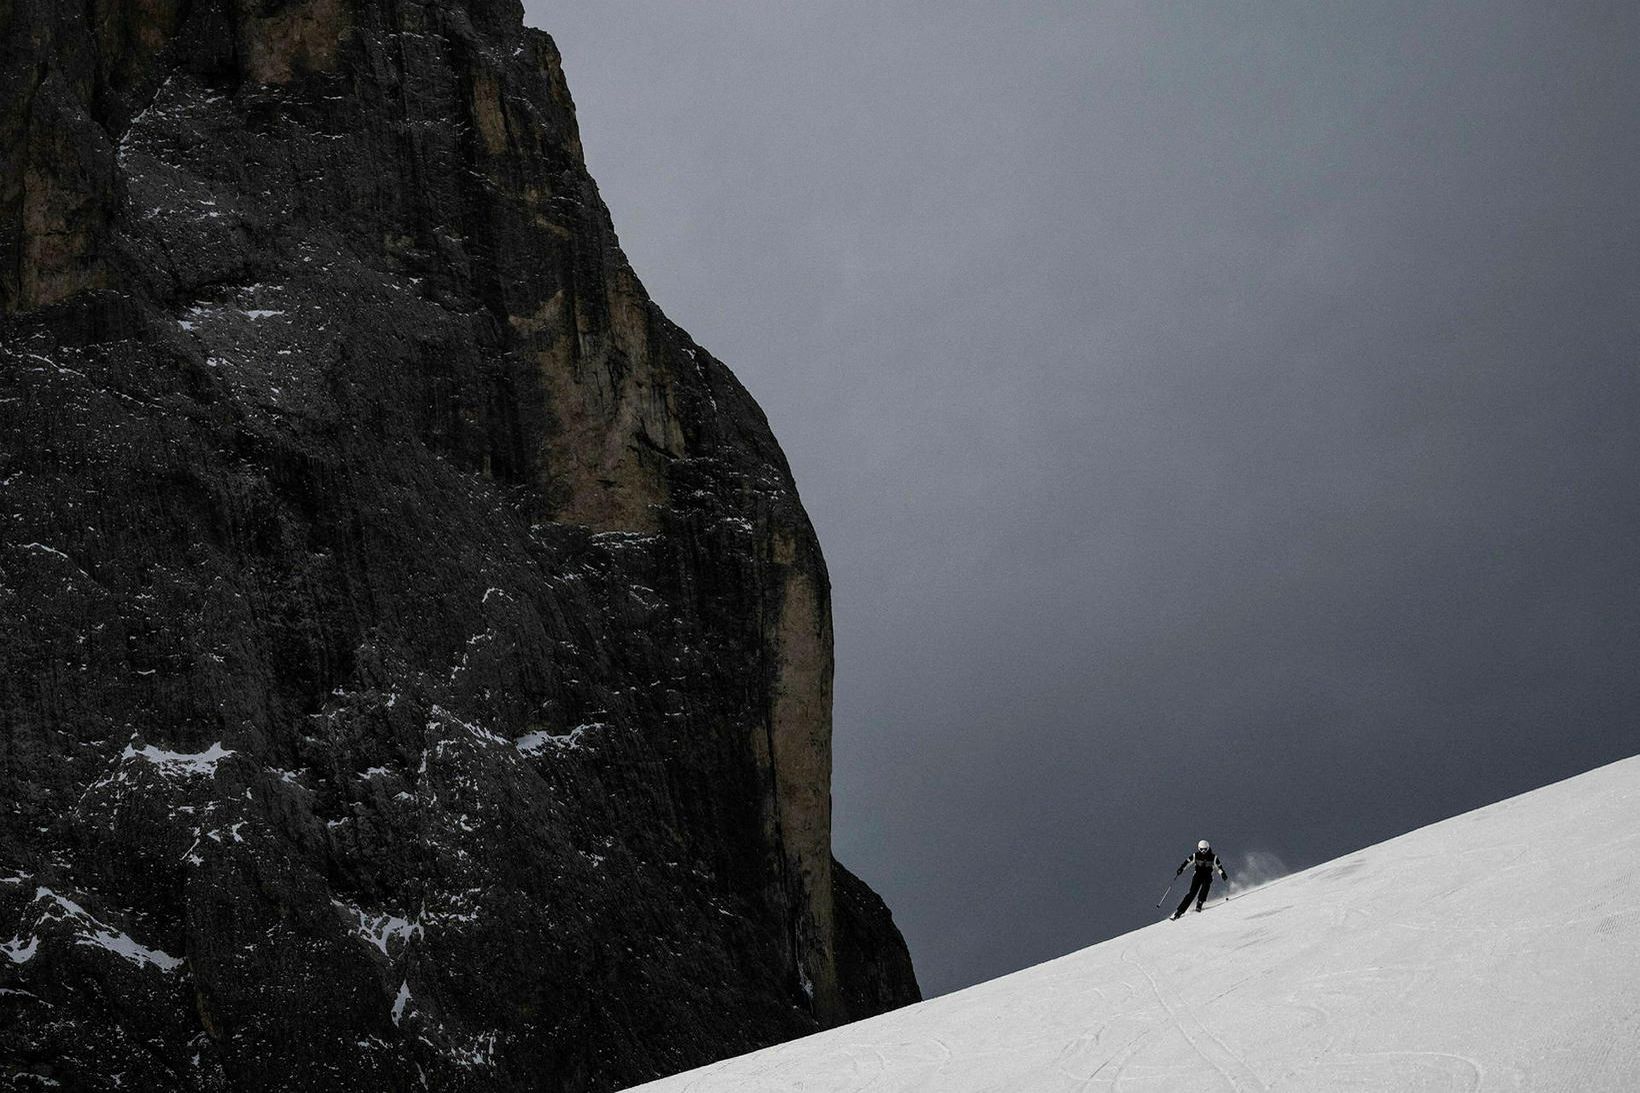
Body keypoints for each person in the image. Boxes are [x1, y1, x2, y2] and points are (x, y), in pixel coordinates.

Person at [1171, 840, 1229, 919]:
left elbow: (1219, 867)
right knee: (1192, 893)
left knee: (1206, 886)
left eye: (1205, 849)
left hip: (1208, 875)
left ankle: (1200, 902)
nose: (1203, 851)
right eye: (1201, 849)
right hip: (1198, 875)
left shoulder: (1213, 857)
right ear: (1199, 848)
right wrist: (1181, 869)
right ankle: (1179, 911)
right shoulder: (1196, 855)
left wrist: (1222, 874)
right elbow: (1187, 863)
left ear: (1208, 848)